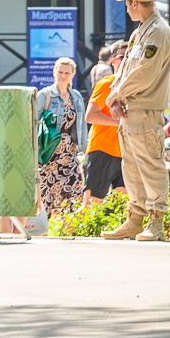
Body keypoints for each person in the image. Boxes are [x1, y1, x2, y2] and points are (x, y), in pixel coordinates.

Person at [102, 0, 170, 242]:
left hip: (144, 108)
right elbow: (122, 70)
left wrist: (114, 95)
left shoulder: (157, 32)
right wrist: (115, 97)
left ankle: (156, 221)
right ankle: (135, 218)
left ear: (134, 4)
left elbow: (143, 73)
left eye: (127, 3)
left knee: (150, 164)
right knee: (130, 165)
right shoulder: (139, 32)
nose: (127, 7)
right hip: (129, 108)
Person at [37, 57, 86, 217]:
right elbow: (33, 122)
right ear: (54, 72)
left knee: (75, 191)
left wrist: (84, 150)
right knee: (46, 194)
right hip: (49, 152)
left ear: (73, 74)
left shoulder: (76, 96)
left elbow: (81, 126)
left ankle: (69, 230)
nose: (63, 76)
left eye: (66, 72)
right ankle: (43, 231)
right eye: (60, 72)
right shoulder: (45, 95)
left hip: (69, 152)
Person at [81, 40, 129, 205]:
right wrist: (121, 124)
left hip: (125, 153)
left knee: (121, 206)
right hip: (102, 150)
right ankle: (68, 231)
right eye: (123, 56)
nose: (128, 60)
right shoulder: (107, 83)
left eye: (131, 56)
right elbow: (90, 116)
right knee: (91, 205)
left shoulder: (135, 87)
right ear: (113, 61)